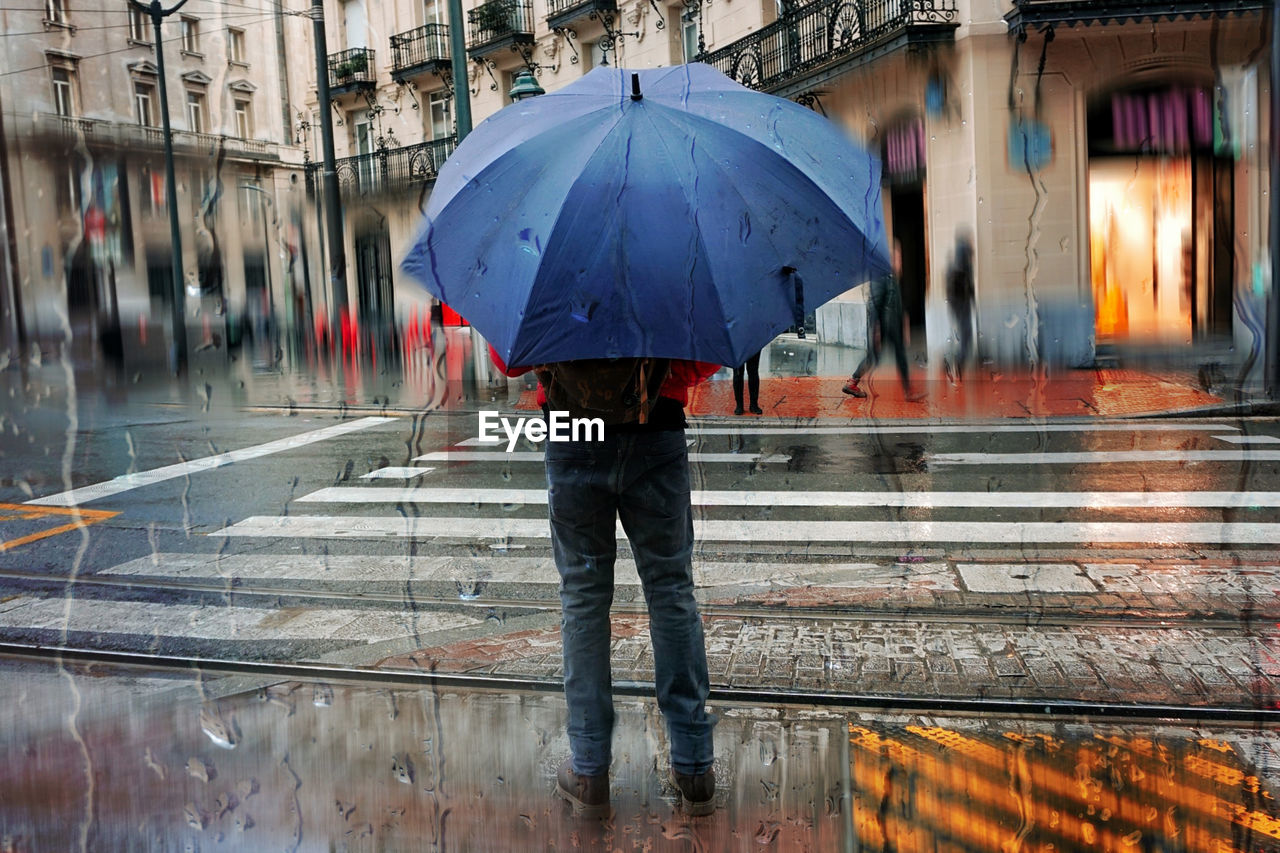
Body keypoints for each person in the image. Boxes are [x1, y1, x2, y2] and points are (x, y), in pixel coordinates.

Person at [491, 347, 721, 819]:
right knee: (671, 591)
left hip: (571, 431)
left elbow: (508, 357)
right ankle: (694, 767)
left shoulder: (550, 273)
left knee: (583, 598)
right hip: (657, 424)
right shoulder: (666, 270)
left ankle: (589, 769)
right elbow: (701, 360)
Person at [842, 241, 922, 401]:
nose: (899, 260)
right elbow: (876, 303)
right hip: (884, 326)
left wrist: (903, 322)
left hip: (892, 325)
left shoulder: (891, 277)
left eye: (899, 256)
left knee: (897, 355)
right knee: (874, 357)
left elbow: (896, 303)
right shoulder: (880, 276)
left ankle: (908, 391)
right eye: (895, 256)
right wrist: (877, 330)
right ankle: (852, 383)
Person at [945, 231, 975, 382]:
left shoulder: (955, 262)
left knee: (964, 335)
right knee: (966, 334)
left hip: (957, 302)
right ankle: (957, 363)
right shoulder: (964, 261)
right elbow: (968, 284)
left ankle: (956, 363)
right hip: (961, 302)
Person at [732, 349, 763, 415]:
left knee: (753, 372)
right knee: (738, 373)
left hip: (753, 342)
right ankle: (739, 405)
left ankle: (753, 405)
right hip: (737, 343)